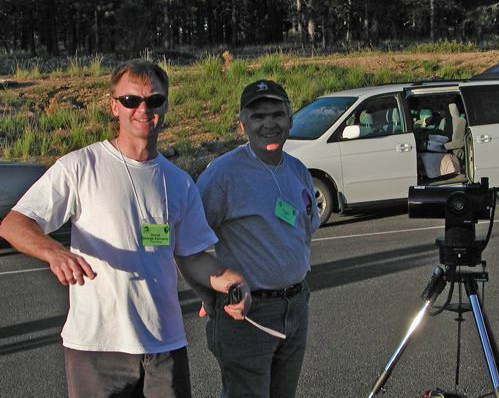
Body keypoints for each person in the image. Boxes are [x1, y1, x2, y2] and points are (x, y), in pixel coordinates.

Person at [0, 59, 247, 398]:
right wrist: (54, 253)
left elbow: (192, 257)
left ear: (165, 106)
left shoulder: (179, 183)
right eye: (131, 100)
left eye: (154, 100)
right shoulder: (81, 166)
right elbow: (14, 224)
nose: (143, 109)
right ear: (114, 106)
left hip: (164, 345)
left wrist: (230, 280)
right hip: (96, 348)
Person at [196, 79, 320, 398]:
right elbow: (188, 242)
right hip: (249, 312)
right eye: (258, 116)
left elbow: (305, 231)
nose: (269, 124)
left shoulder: (297, 171)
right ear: (243, 124)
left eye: (277, 115)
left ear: (290, 120)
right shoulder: (222, 175)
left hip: (296, 305)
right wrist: (208, 290)